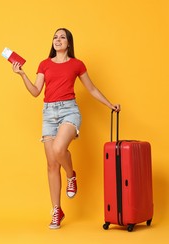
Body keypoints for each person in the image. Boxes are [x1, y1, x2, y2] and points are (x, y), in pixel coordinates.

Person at [12, 28, 121, 229]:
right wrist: (22, 75)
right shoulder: (44, 64)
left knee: (58, 149)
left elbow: (92, 89)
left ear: (69, 43)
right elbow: (36, 91)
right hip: (49, 114)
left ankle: (71, 175)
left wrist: (109, 104)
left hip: (69, 111)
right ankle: (57, 211)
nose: (58, 40)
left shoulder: (77, 64)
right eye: (55, 37)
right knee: (52, 165)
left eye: (62, 37)